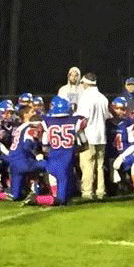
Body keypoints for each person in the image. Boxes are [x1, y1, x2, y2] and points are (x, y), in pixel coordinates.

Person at [26, 96, 85, 206]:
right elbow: (84, 143)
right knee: (61, 199)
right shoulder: (76, 120)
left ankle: (36, 192)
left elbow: (44, 145)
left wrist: (43, 152)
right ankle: (35, 199)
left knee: (66, 195)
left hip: (52, 160)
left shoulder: (46, 121)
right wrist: (74, 149)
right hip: (66, 161)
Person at [75, 72, 111, 200]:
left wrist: (76, 133)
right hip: (101, 136)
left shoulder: (85, 98)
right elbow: (107, 116)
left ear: (85, 83)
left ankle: (87, 192)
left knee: (87, 165)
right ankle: (100, 191)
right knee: (99, 166)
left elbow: (82, 120)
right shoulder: (103, 98)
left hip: (88, 136)